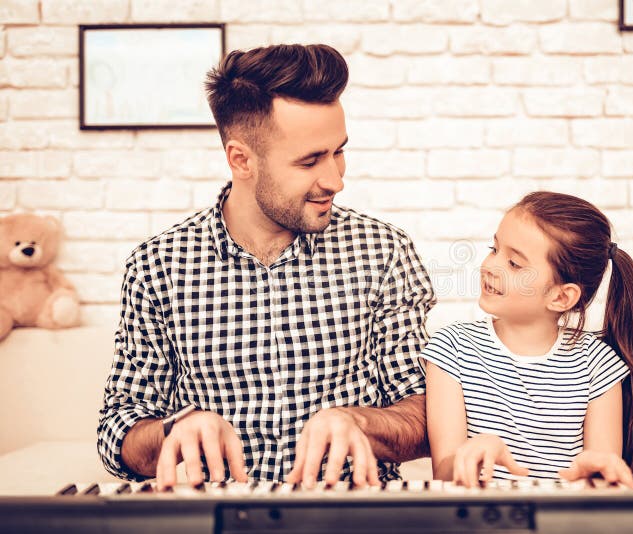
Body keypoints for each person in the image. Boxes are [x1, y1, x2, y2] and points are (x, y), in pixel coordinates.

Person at [97, 44, 436, 491]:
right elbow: (117, 432)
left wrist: (360, 422)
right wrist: (174, 430)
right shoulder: (158, 266)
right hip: (219, 517)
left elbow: (424, 413)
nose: (335, 178)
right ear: (241, 159)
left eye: (338, 152)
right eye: (310, 160)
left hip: (352, 514)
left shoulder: (385, 252)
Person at [421, 191, 633, 488]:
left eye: (514, 263)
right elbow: (444, 472)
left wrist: (598, 473)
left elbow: (601, 479)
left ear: (561, 296)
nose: (490, 265)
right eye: (494, 248)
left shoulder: (597, 365)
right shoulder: (451, 348)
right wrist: (471, 455)